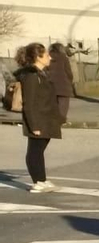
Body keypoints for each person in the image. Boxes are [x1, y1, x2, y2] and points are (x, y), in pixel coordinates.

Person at [13, 44, 62, 193]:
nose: (50, 57)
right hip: (37, 119)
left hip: (45, 118)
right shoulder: (31, 76)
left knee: (39, 150)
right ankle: (37, 182)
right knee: (34, 151)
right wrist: (34, 125)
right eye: (46, 55)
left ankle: (42, 179)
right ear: (38, 57)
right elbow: (29, 103)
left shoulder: (40, 73)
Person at [48, 43, 75, 122]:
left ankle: (52, 118)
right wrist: (69, 81)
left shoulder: (47, 57)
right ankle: (61, 119)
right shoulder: (63, 57)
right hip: (63, 84)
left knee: (52, 103)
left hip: (50, 83)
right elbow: (68, 72)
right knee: (63, 103)